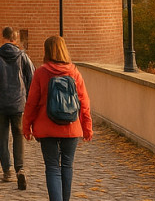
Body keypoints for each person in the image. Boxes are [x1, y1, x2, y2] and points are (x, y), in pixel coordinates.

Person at [22, 35, 93, 201]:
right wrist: (87, 127)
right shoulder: (74, 72)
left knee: (52, 167)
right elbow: (84, 102)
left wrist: (27, 127)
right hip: (71, 127)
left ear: (47, 51)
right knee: (67, 166)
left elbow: (31, 102)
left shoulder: (41, 72)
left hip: (47, 128)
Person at [0, 26, 35, 189]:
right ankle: (20, 168)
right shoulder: (23, 57)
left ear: (3, 37)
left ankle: (7, 170)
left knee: (3, 138)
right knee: (18, 135)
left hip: (0, 104)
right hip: (19, 103)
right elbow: (31, 78)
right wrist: (27, 98)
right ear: (15, 39)